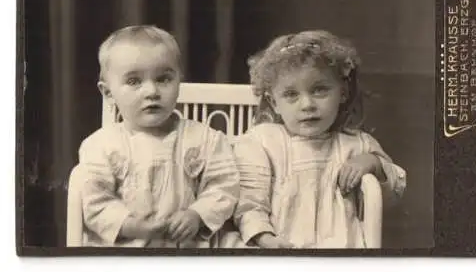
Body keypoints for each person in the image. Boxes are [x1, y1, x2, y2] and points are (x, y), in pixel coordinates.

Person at [228, 30, 406, 248]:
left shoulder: (356, 143)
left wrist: (374, 163)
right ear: (274, 102)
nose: (307, 105)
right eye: (291, 95)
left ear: (342, 93)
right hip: (282, 251)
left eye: (319, 90)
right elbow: (249, 203)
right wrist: (265, 238)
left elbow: (392, 194)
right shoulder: (263, 142)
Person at [76, 25, 239, 247]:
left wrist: (197, 214)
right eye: (134, 81)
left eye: (163, 79)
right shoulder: (99, 146)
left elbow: (224, 185)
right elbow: (95, 202)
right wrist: (132, 225)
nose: (152, 91)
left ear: (178, 81)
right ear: (108, 92)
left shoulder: (205, 139)